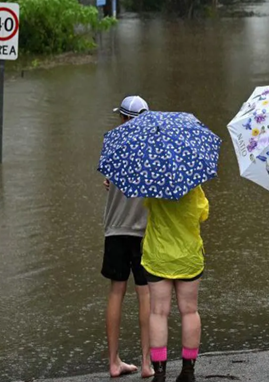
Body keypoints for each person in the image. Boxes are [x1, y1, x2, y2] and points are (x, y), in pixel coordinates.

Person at [101, 95, 153, 378]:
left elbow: (108, 180)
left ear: (123, 119)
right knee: (144, 295)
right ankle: (146, 364)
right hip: (144, 232)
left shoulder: (112, 144)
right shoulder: (153, 149)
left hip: (115, 230)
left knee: (116, 293)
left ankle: (113, 361)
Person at [145, 186, 209, 382]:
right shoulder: (193, 185)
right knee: (189, 310)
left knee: (158, 312)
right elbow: (203, 213)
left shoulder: (153, 183)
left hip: (158, 255)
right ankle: (188, 372)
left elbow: (147, 207)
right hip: (188, 256)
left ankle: (160, 373)